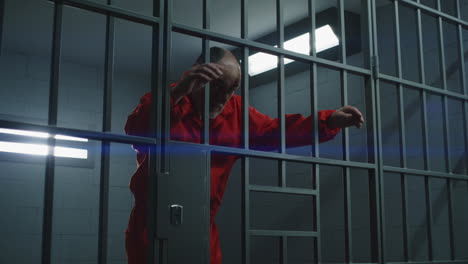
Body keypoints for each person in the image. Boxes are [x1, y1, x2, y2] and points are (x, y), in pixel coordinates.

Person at [124, 47, 365, 264]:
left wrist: (328, 120)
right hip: (151, 223)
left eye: (231, 89)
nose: (224, 97)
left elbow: (275, 131)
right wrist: (177, 92)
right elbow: (136, 133)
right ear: (197, 74)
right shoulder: (166, 100)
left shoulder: (235, 112)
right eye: (218, 86)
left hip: (201, 223)